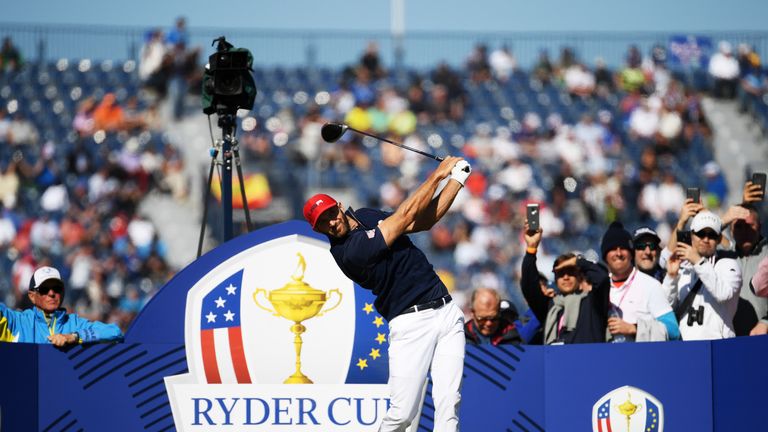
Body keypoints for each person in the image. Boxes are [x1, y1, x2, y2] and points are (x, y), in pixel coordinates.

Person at [304, 156, 470, 432]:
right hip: (411, 322)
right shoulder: (347, 252)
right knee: (402, 414)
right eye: (323, 223)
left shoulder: (366, 215)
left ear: (339, 206)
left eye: (331, 214)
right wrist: (438, 175)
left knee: (448, 404)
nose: (332, 223)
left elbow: (422, 221)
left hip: (447, 312)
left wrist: (457, 180)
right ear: (318, 229)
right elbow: (404, 215)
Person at [521, 225, 610, 345]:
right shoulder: (550, 306)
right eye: (561, 274)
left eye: (571, 272)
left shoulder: (593, 301)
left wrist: (577, 261)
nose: (566, 277)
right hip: (557, 362)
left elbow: (602, 278)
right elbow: (529, 286)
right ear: (556, 279)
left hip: (589, 361)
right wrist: (531, 249)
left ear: (579, 276)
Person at [663, 211, 742, 340]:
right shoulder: (682, 269)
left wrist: (697, 261)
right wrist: (671, 277)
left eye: (711, 235)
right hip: (686, 348)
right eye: (700, 234)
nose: (706, 239)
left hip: (719, 346)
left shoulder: (728, 265)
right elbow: (665, 309)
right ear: (691, 236)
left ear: (718, 239)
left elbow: (723, 294)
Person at [0, 266, 123, 346]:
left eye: (57, 288)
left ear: (63, 292)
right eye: (44, 289)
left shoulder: (74, 324)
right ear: (32, 296)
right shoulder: (15, 322)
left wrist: (74, 337)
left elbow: (115, 332)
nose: (52, 293)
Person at [601, 222, 680, 342]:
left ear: (631, 254)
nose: (618, 253)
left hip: (639, 358)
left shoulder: (650, 285)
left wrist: (634, 329)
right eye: (612, 249)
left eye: (623, 248)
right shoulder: (599, 288)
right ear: (605, 256)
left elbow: (673, 331)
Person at [464, 287, 539, 346]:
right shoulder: (459, 337)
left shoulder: (512, 335)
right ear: (472, 313)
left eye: (494, 318)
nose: (489, 323)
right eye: (482, 319)